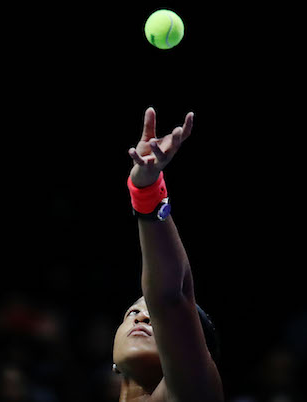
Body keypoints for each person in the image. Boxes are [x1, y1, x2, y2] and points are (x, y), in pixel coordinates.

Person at [111, 108, 224, 402]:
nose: (141, 319)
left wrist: (146, 191)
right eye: (133, 313)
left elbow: (171, 298)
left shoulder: (194, 391)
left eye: (153, 317)